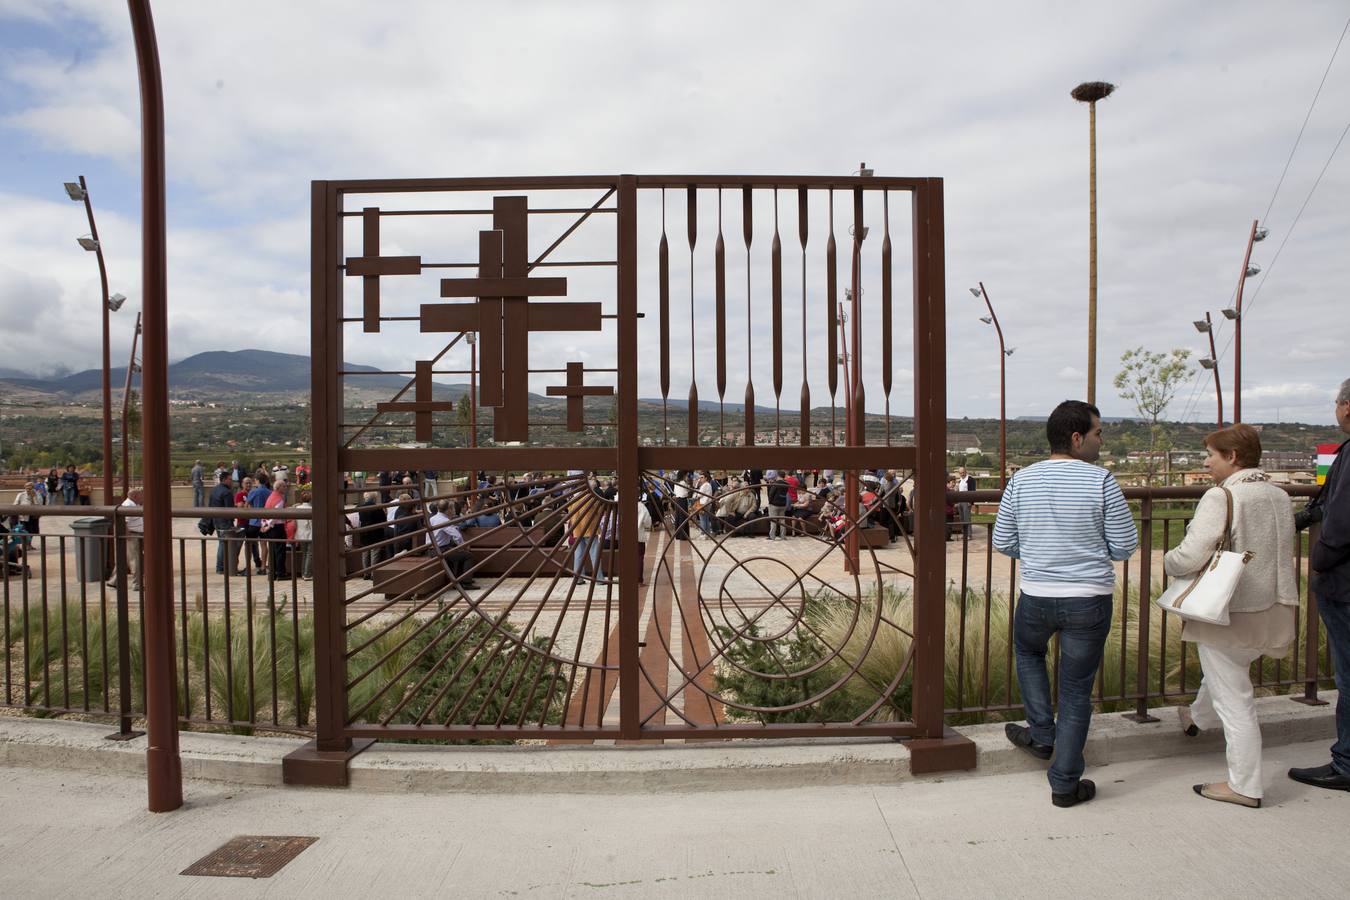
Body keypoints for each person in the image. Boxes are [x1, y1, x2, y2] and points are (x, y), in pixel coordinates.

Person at [993, 400, 1138, 808]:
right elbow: (1125, 545)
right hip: (1088, 599)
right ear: (1076, 438)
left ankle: (1041, 734)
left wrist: (1040, 555)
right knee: (1076, 691)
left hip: (1037, 595)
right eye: (1098, 433)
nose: (1100, 440)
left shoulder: (1022, 480)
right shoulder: (1101, 481)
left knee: (1028, 653)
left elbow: (1003, 540)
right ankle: (1064, 782)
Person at [1162, 424, 1295, 808]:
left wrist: (1169, 561)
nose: (1206, 462)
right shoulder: (1278, 494)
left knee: (1235, 700)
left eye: (1210, 455)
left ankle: (1245, 785)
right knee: (1226, 673)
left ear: (1232, 457)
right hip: (1274, 607)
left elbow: (1192, 553)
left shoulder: (1222, 496)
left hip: (1230, 612)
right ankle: (1196, 719)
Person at [1289, 377, 1350, 793]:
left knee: (1347, 677)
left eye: (1336, 402)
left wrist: (1319, 563)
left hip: (1344, 586)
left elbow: (1341, 519)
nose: (1335, 409)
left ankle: (1345, 763)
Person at [429, 499, 476, 588]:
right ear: (449, 510)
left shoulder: (432, 518)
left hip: (432, 549)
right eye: (453, 508)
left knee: (460, 554)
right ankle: (466, 582)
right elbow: (457, 536)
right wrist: (464, 546)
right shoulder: (444, 521)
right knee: (467, 555)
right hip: (440, 550)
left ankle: (459, 579)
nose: (454, 510)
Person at [108, 487, 145, 590]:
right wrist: (128, 536)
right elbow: (123, 523)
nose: (143, 496)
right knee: (135, 560)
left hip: (134, 535)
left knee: (124, 559)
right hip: (133, 536)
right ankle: (137, 584)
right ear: (135, 496)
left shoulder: (134, 504)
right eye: (141, 494)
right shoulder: (129, 505)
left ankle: (114, 581)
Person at [208, 472, 238, 575]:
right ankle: (221, 567)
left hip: (216, 520)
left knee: (221, 542)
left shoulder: (214, 490)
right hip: (225, 521)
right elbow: (229, 509)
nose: (232, 482)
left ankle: (220, 566)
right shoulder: (227, 492)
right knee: (224, 543)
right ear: (224, 479)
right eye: (230, 479)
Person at [261, 477, 291, 580]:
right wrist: (269, 525)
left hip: (271, 528)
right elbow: (276, 515)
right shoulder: (279, 499)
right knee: (280, 551)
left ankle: (272, 573)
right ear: (278, 487)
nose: (285, 487)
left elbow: (266, 511)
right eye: (284, 486)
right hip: (277, 527)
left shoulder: (271, 497)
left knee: (273, 550)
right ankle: (280, 573)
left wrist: (265, 525)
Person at [245, 475, 272, 574]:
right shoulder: (269, 492)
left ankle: (247, 567)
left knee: (249, 545)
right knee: (264, 545)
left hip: (254, 522)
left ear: (257, 480)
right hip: (264, 522)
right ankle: (263, 567)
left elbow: (246, 505)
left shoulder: (253, 491)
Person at [294, 490, 313, 580]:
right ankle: (307, 574)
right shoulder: (312, 509)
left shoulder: (297, 508)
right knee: (310, 554)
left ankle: (303, 572)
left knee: (304, 554)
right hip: (310, 533)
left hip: (300, 533)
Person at [765, 470, 789, 541]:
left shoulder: (776, 483)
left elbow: (771, 494)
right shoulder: (786, 484)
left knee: (773, 521)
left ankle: (772, 536)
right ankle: (783, 536)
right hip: (783, 504)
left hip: (774, 504)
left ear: (778, 476)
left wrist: (770, 502)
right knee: (782, 521)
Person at [956, 466, 975, 539]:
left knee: (967, 518)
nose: (962, 474)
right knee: (961, 518)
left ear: (966, 471)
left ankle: (969, 534)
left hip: (967, 501)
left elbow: (973, 491)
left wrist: (971, 502)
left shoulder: (970, 479)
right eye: (960, 473)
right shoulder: (960, 480)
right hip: (960, 502)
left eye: (963, 472)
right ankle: (964, 533)